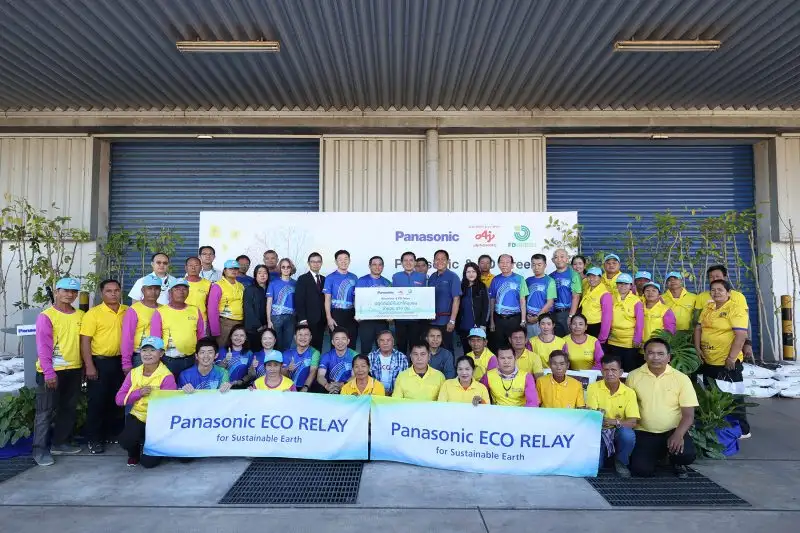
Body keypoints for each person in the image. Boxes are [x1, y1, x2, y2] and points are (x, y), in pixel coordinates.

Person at [627, 338, 698, 478]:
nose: (655, 357)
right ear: (644, 355)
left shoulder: (681, 378)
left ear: (668, 357)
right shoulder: (633, 376)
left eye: (660, 354)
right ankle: (661, 456)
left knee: (686, 455)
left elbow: (688, 415)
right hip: (644, 432)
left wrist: (678, 434)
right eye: (651, 353)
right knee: (641, 470)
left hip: (672, 431)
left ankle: (676, 461)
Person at [32, 277, 84, 466]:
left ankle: (60, 443)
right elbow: (43, 347)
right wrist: (48, 372)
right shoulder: (46, 316)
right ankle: (39, 450)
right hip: (52, 371)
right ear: (56, 292)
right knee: (45, 412)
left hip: (74, 369)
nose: (69, 295)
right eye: (65, 291)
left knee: (68, 408)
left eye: (73, 292)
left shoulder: (80, 315)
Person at [695, 279, 751, 437]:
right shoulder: (708, 308)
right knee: (711, 395)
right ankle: (718, 428)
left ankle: (743, 430)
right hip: (709, 359)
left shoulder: (735, 309)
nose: (716, 292)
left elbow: (741, 335)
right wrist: (698, 348)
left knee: (733, 396)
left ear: (728, 293)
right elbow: (698, 329)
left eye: (720, 289)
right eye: (713, 290)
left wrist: (731, 358)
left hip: (727, 361)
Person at [80, 279, 128, 455]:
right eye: (109, 291)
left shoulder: (127, 311)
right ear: (102, 294)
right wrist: (89, 366)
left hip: (121, 362)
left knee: (116, 400)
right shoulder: (93, 314)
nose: (113, 294)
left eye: (116, 290)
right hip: (100, 362)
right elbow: (85, 341)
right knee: (97, 402)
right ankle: (94, 439)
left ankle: (110, 434)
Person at [116, 336, 177, 468]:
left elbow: (170, 405)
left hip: (157, 421)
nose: (147, 354)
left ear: (161, 353)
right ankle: (134, 453)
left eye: (152, 350)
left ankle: (155, 444)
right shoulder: (134, 373)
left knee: (148, 464)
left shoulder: (167, 376)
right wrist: (138, 393)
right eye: (144, 350)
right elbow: (119, 399)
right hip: (138, 415)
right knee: (126, 441)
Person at [587, 354, 639, 477]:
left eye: (614, 370)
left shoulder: (629, 392)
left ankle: (621, 462)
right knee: (596, 467)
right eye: (606, 370)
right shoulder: (593, 388)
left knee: (627, 434)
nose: (610, 373)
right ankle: (603, 454)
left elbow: (633, 422)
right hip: (599, 430)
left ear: (620, 372)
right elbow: (592, 415)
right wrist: (602, 420)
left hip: (617, 430)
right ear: (601, 372)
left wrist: (614, 422)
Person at [150, 278, 205, 378]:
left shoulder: (195, 310)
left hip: (191, 360)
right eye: (177, 289)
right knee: (170, 387)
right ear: (170, 292)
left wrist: (200, 357)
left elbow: (200, 336)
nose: (181, 292)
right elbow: (155, 340)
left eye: (184, 289)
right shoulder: (160, 312)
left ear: (188, 292)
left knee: (190, 386)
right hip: (169, 361)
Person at [121, 274, 162, 372]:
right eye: (149, 288)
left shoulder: (163, 309)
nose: (153, 292)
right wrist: (126, 362)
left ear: (160, 290)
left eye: (156, 288)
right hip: (140, 356)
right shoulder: (134, 310)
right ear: (143, 290)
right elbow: (127, 337)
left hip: (160, 356)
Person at [488, 254, 528, 352]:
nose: (504, 264)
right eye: (502, 262)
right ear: (498, 264)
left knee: (515, 347)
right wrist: (492, 321)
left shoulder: (520, 279)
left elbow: (522, 301)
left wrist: (523, 320)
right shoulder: (495, 279)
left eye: (507, 262)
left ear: (512, 264)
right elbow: (492, 300)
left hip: (514, 319)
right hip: (499, 319)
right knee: (499, 347)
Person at [392, 251, 427, 356]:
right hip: (400, 319)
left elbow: (425, 297)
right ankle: (402, 366)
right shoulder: (396, 276)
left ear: (415, 262)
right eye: (405, 260)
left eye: (411, 260)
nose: (408, 262)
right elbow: (392, 297)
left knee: (415, 348)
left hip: (416, 319)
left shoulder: (422, 277)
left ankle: (414, 366)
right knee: (401, 347)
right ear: (401, 263)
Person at [607, 273, 644, 372]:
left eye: (626, 284)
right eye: (620, 283)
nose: (622, 286)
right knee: (614, 368)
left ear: (631, 286)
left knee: (629, 369)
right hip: (613, 340)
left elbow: (640, 322)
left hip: (629, 342)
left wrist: (637, 339)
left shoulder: (636, 301)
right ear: (616, 285)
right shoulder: (611, 297)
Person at [324, 249, 359, 349]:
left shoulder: (354, 277)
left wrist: (358, 314)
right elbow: (327, 299)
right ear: (336, 262)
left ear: (349, 260)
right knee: (336, 344)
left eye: (346, 259)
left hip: (351, 314)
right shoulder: (330, 277)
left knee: (351, 343)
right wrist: (329, 318)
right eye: (340, 259)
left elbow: (356, 298)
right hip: (336, 314)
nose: (343, 261)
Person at [356, 256, 392, 352]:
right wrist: (358, 313)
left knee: (383, 349)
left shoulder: (387, 283)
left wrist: (391, 314)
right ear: (369, 266)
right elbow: (357, 299)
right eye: (374, 264)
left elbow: (390, 302)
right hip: (366, 321)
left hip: (382, 321)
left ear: (383, 266)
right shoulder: (362, 280)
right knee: (365, 349)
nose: (377, 267)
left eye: (380, 265)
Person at [428, 249, 462, 351]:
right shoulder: (432, 277)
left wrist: (452, 320)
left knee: (447, 349)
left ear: (448, 261)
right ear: (433, 261)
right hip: (431, 321)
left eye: (443, 259)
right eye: (437, 259)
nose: (440, 261)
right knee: (433, 350)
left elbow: (456, 299)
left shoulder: (453, 277)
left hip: (446, 321)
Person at [208, 259, 245, 348]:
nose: (234, 271)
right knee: (223, 349)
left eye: (236, 268)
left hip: (240, 323)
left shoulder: (240, 286)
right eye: (230, 268)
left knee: (237, 349)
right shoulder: (217, 285)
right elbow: (212, 309)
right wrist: (215, 330)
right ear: (225, 271)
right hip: (225, 323)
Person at [295, 252, 327, 352]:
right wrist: (302, 319)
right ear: (309, 263)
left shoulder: (324, 279)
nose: (316, 264)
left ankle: (317, 362)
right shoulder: (302, 279)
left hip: (322, 320)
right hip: (308, 320)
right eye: (313, 261)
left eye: (318, 261)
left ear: (321, 263)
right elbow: (299, 299)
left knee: (319, 346)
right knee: (307, 346)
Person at [456, 261, 489, 353]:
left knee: (478, 352)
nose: (471, 274)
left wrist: (483, 324)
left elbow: (486, 307)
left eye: (473, 271)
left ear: (477, 273)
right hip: (463, 326)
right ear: (465, 273)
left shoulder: (482, 287)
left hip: (477, 326)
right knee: (466, 352)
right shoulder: (461, 286)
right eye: (468, 272)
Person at [267, 258, 298, 351]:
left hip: (290, 318)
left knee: (287, 346)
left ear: (291, 268)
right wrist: (268, 320)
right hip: (276, 318)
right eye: (283, 267)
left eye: (288, 267)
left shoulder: (295, 283)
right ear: (280, 269)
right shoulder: (273, 283)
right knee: (276, 345)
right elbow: (269, 302)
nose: (286, 269)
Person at [550, 248, 582, 337]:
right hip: (553, 314)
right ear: (553, 260)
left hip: (568, 313)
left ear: (567, 259)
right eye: (556, 257)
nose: (559, 259)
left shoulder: (574, 275)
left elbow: (576, 297)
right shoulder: (550, 276)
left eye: (562, 257)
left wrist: (571, 316)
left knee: (569, 340)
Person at [317, 327, 359, 394]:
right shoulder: (327, 356)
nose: (340, 342)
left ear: (348, 341)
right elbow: (320, 375)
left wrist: (342, 385)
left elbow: (355, 376)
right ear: (332, 342)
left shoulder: (355, 356)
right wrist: (327, 385)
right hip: (330, 387)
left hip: (348, 386)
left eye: (343, 339)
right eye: (337, 339)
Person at [368, 330, 409, 395]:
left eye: (388, 340)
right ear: (378, 343)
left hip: (396, 394)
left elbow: (405, 379)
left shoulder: (402, 357)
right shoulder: (371, 357)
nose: (385, 343)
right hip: (375, 393)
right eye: (382, 340)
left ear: (393, 342)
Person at [281, 324, 321, 392]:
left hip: (307, 388)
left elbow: (313, 371)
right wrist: (287, 369)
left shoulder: (314, 353)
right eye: (300, 335)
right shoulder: (287, 353)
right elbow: (282, 375)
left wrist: (305, 387)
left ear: (310, 337)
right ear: (295, 337)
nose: (303, 337)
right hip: (289, 388)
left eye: (306, 335)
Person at [525, 254, 556, 338]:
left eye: (539, 265)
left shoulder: (550, 281)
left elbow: (550, 303)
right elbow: (524, 300)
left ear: (545, 265)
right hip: (529, 319)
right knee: (530, 343)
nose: (536, 267)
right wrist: (526, 316)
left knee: (544, 342)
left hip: (543, 319)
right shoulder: (527, 280)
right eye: (534, 264)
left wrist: (537, 317)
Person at [581, 267, 612, 344]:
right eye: (589, 276)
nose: (591, 279)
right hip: (585, 326)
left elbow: (607, 317)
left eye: (594, 276)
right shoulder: (588, 290)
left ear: (600, 278)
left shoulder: (605, 294)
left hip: (597, 327)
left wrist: (603, 336)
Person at [642, 282, 677, 346]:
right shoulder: (639, 308)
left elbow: (670, 331)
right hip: (639, 345)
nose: (650, 293)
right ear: (643, 294)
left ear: (659, 294)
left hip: (658, 346)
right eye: (647, 290)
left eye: (654, 290)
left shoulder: (666, 310)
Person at [243, 265, 269, 349]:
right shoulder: (250, 289)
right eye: (259, 273)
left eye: (265, 273)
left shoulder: (270, 289)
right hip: (254, 329)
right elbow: (248, 309)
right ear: (255, 275)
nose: (262, 275)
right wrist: (258, 326)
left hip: (267, 327)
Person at [185, 257, 211, 330]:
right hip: (183, 318)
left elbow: (209, 304)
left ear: (201, 267)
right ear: (186, 268)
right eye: (190, 265)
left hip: (202, 320)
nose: (193, 268)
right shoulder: (179, 283)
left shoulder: (208, 284)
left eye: (196, 265)